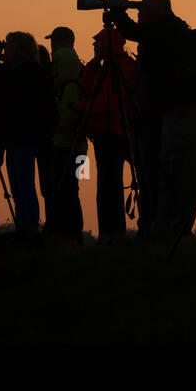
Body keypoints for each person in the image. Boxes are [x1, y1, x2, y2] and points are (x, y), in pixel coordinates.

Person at [106, 0, 196, 241]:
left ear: (158, 9)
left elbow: (135, 33)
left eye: (144, 9)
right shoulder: (171, 31)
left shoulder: (166, 32)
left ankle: (174, 228)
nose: (139, 14)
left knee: (178, 168)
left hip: (181, 111)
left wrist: (118, 10)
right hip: (172, 111)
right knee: (171, 169)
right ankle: (164, 226)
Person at [0, 32, 54, 236]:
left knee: (24, 183)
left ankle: (28, 227)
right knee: (18, 185)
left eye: (9, 45)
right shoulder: (15, 70)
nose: (6, 49)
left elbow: (6, 91)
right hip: (13, 136)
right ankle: (24, 226)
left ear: (19, 49)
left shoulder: (28, 72)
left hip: (24, 135)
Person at [79, 27, 137, 243]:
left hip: (115, 132)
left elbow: (104, 102)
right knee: (107, 184)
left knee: (108, 185)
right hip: (108, 132)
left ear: (109, 45)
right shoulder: (104, 68)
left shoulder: (123, 68)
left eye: (98, 43)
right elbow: (87, 87)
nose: (95, 46)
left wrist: (78, 107)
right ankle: (112, 231)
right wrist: (93, 66)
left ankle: (111, 232)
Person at [41, 26, 86, 242]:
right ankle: (72, 235)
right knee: (71, 191)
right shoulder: (78, 70)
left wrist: (53, 126)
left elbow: (68, 115)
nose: (52, 46)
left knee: (60, 191)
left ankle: (65, 234)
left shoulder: (61, 71)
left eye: (54, 41)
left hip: (62, 143)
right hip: (79, 146)